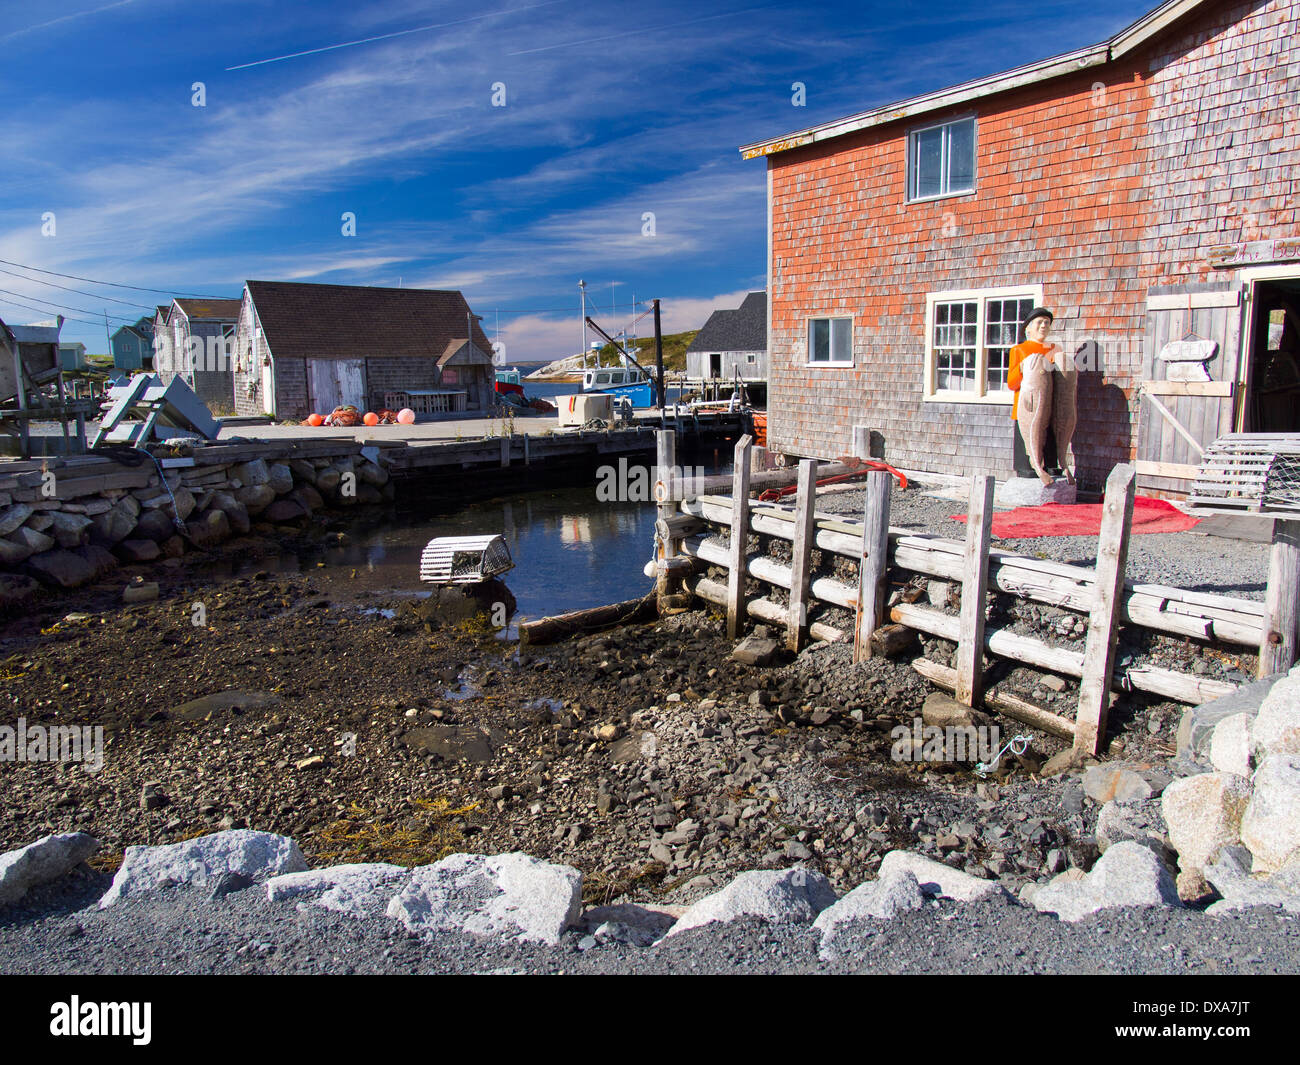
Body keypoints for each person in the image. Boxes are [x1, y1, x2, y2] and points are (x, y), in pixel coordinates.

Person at [1008, 306, 1068, 482]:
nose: (1044, 326)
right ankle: (1025, 466)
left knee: (1049, 435)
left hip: (1049, 404)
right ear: (1029, 328)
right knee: (1026, 435)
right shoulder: (1019, 350)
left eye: (1047, 323)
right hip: (1026, 404)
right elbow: (1012, 383)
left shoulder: (1055, 350)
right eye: (1040, 322)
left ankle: (1050, 463)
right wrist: (1023, 367)